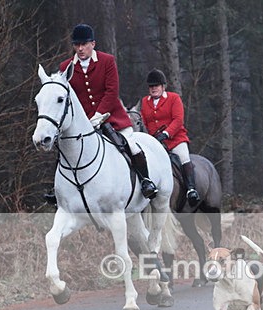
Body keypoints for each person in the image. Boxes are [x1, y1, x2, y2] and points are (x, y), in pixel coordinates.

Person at [45, 23, 158, 205]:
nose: (80, 49)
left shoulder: (107, 61)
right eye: (77, 45)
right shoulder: (65, 66)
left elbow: (112, 92)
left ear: (93, 44)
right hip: (81, 123)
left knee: (132, 145)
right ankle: (56, 188)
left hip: (112, 118)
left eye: (84, 44)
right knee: (64, 149)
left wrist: (97, 116)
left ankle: (146, 181)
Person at [140, 69, 200, 208]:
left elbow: (178, 120)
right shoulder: (144, 102)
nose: (153, 88)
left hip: (175, 139)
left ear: (163, 86)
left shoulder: (174, 98)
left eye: (156, 85)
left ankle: (191, 189)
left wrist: (166, 134)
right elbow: (143, 121)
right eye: (151, 86)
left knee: (184, 157)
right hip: (155, 142)